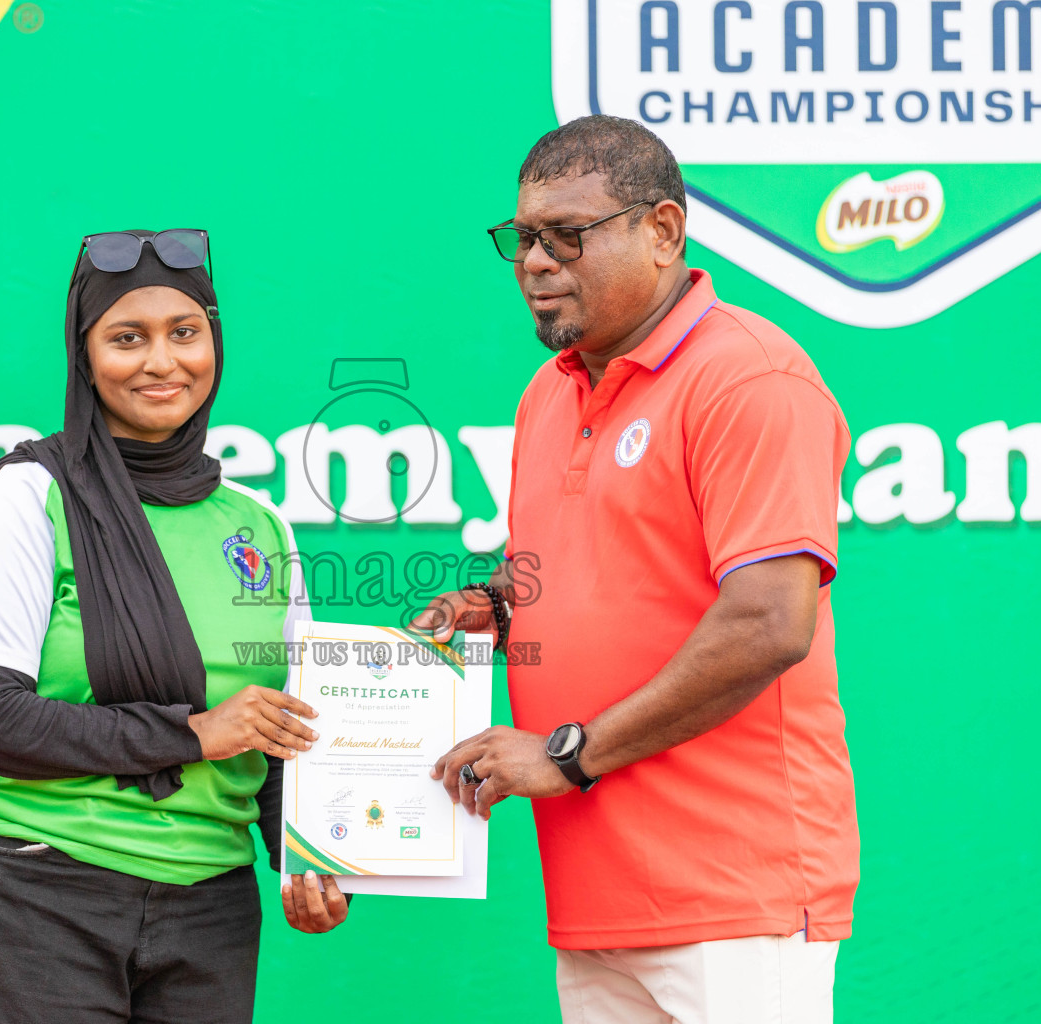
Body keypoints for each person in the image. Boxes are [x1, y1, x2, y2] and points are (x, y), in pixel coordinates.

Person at [414, 115, 859, 1023]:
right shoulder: (550, 392)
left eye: (566, 236)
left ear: (662, 231)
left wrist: (567, 756)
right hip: (595, 899)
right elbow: (569, 577)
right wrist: (491, 611)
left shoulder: (748, 378)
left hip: (738, 897)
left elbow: (770, 622)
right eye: (523, 239)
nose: (535, 263)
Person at [0, 229, 349, 1024]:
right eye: (126, 338)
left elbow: (281, 729)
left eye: (185, 333)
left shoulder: (261, 525)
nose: (161, 362)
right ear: (84, 355)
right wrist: (191, 733)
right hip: (36, 895)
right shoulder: (24, 500)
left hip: (209, 911)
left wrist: (303, 859)